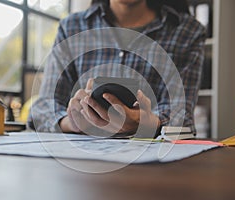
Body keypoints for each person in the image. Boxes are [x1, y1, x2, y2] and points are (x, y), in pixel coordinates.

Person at [29, 0, 206, 137]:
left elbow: (182, 118)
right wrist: (72, 123)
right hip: (85, 164)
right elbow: (43, 107)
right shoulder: (71, 28)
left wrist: (144, 122)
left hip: (154, 169)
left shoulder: (188, 32)